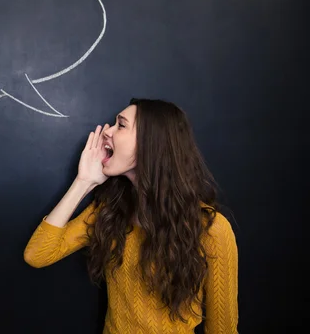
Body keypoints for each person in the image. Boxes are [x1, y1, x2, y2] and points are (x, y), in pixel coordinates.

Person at [24, 98, 238, 333]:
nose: (107, 131)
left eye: (121, 125)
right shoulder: (110, 211)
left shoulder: (211, 229)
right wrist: (83, 182)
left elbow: (223, 329)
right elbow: (38, 254)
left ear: (150, 143)